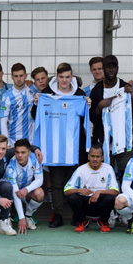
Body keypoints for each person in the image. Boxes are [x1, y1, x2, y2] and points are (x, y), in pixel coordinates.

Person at [33, 62, 90, 228]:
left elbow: (89, 117)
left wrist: (88, 106)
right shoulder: (46, 93)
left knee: (74, 183)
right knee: (57, 184)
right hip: (54, 147)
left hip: (75, 147)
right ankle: (57, 214)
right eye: (61, 77)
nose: (64, 80)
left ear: (71, 77)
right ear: (56, 77)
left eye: (67, 77)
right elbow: (34, 116)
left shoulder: (79, 94)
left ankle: (76, 215)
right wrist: (36, 102)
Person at [89, 55, 133, 177]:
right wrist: (100, 105)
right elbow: (92, 118)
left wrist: (131, 97)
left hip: (123, 139)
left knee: (126, 173)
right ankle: (108, 195)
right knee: (105, 174)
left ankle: (125, 195)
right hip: (104, 140)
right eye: (108, 67)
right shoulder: (97, 90)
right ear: (103, 68)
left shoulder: (125, 86)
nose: (111, 70)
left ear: (117, 68)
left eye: (114, 67)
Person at [64, 143, 119, 233]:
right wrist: (79, 190)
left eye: (98, 156)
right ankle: (81, 221)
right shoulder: (81, 169)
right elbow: (66, 190)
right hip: (85, 203)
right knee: (72, 197)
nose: (95, 159)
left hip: (100, 204)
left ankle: (103, 221)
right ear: (88, 156)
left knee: (109, 198)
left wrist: (99, 192)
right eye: (92, 156)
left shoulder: (108, 169)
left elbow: (115, 191)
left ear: (102, 157)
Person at [3, 139, 44, 234]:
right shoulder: (11, 167)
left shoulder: (35, 158)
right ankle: (7, 217)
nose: (20, 155)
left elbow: (40, 180)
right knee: (7, 190)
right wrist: (21, 219)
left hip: (25, 192)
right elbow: (15, 193)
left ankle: (28, 215)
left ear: (29, 153)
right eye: (17, 152)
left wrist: (27, 189)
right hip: (10, 195)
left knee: (40, 193)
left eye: (23, 152)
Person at [0, 63, 35, 147]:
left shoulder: (32, 92)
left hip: (30, 141)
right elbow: (3, 121)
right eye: (16, 76)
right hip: (13, 142)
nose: (19, 79)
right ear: (12, 76)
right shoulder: (7, 96)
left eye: (21, 75)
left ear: (26, 75)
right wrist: (7, 143)